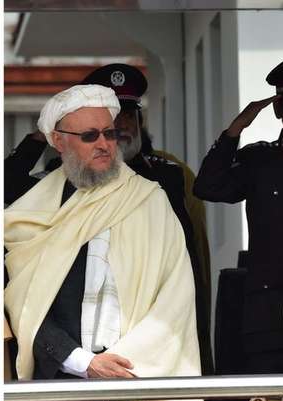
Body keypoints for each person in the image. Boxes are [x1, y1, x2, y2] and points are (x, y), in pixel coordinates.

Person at [4, 84, 204, 401]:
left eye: (110, 133)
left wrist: (129, 362)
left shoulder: (150, 201)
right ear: (58, 140)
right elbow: (21, 303)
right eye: (89, 135)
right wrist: (81, 361)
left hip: (140, 383)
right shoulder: (31, 213)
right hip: (65, 392)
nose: (104, 144)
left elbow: (177, 298)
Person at [194, 53, 283, 378]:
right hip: (271, 313)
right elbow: (209, 187)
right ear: (279, 109)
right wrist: (234, 131)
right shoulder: (259, 160)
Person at [80, 63, 214, 375]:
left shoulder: (173, 175)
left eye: (129, 114)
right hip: (99, 331)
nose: (123, 124)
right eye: (113, 116)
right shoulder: (74, 178)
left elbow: (197, 262)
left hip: (163, 320)